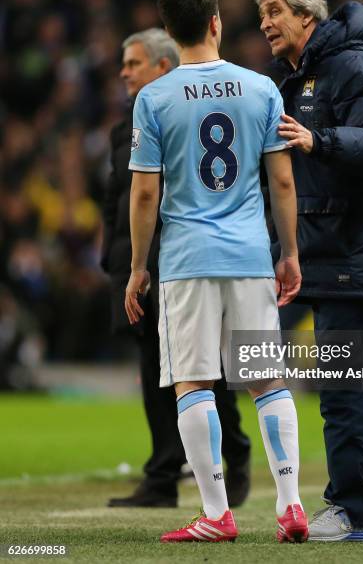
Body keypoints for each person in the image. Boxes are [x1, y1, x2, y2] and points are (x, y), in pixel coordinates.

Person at [125, 0, 307, 544]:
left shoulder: (153, 98)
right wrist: (291, 252)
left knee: (193, 382)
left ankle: (216, 513)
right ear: (215, 24)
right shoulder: (260, 89)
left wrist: (137, 267)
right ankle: (291, 504)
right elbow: (281, 179)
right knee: (266, 380)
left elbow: (145, 194)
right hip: (251, 256)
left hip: (187, 260)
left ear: (171, 33)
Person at [256, 0, 363, 542]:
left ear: (307, 15)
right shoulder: (297, 77)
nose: (266, 23)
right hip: (328, 256)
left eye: (275, 11)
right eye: (261, 15)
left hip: (360, 255)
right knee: (340, 387)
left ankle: (358, 514)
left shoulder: (355, 68)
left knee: (352, 388)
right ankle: (350, 508)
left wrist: (319, 139)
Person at [101, 28, 251, 509]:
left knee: (203, 368)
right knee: (154, 371)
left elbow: (167, 193)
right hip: (138, 261)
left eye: (133, 62)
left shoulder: (178, 113)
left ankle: (236, 450)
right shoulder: (125, 125)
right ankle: (164, 474)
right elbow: (117, 198)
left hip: (181, 259)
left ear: (163, 67)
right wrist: (117, 259)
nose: (124, 71)